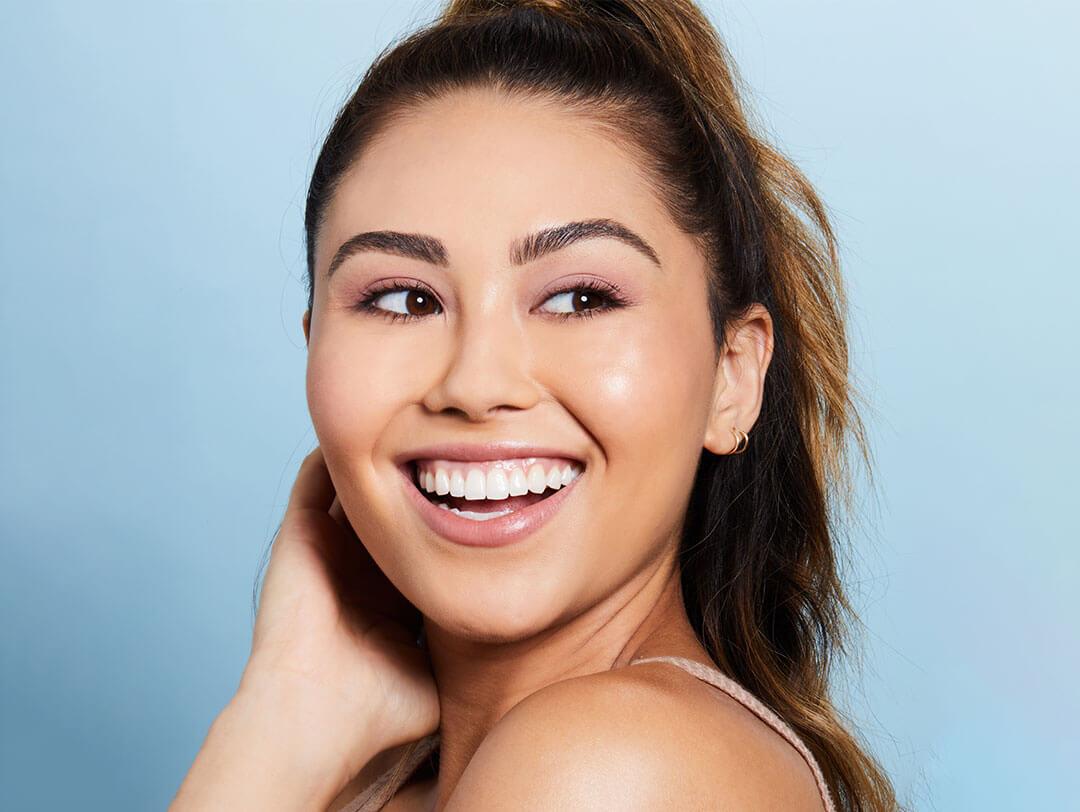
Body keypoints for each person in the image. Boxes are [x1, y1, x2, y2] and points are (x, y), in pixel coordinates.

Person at [172, 1, 900, 809]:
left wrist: (271, 740)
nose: (476, 384)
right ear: (314, 345)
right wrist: (290, 710)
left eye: (581, 298)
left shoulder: (609, 767)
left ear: (733, 377)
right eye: (405, 299)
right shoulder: (390, 780)